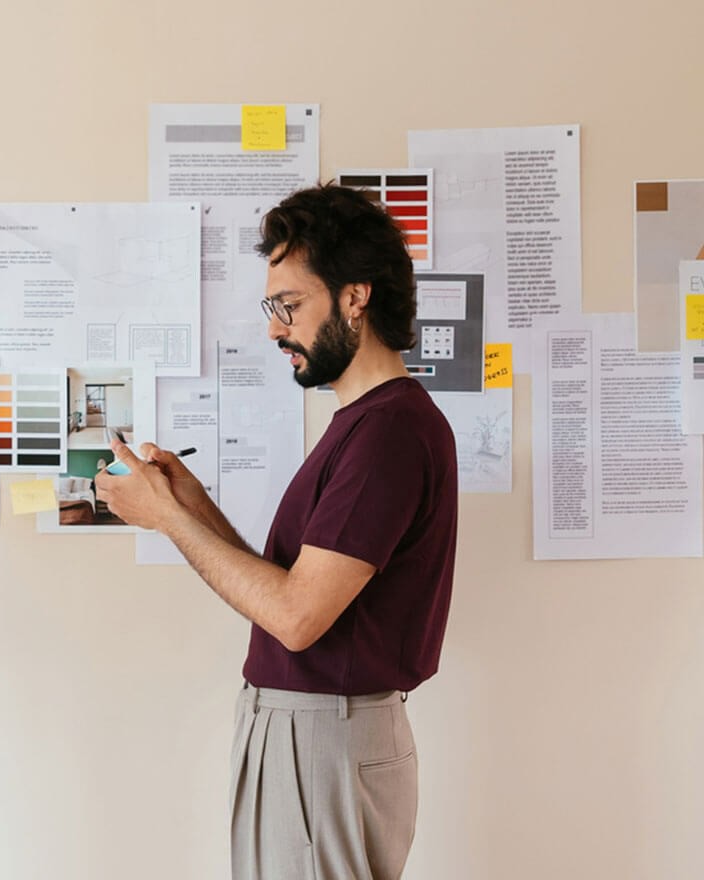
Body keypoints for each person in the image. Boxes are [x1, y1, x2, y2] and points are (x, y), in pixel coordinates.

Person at [96, 183, 457, 880]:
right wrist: (191, 504)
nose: (274, 328)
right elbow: (291, 589)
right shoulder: (366, 424)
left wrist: (165, 518)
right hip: (310, 732)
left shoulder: (386, 433)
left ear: (355, 297)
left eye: (288, 305)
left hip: (324, 736)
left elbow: (295, 617)